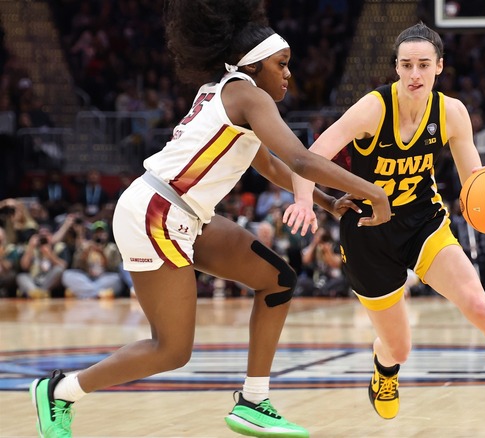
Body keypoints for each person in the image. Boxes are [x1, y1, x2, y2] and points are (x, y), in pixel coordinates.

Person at [29, 2, 391, 438]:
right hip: (157, 212)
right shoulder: (246, 94)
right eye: (282, 64)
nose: (288, 74)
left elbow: (275, 167)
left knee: (278, 279)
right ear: (255, 66)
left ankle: (254, 400)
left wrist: (330, 204)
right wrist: (373, 190)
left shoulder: (230, 92)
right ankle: (60, 390)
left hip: (183, 212)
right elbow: (299, 158)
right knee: (172, 350)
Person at [284, 22, 485, 437]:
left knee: (481, 307)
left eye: (424, 65)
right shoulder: (373, 108)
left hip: (423, 223)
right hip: (367, 234)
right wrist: (304, 199)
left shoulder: (451, 112)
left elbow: (471, 186)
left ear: (439, 67)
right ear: (396, 67)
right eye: (407, 65)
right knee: (399, 347)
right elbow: (311, 157)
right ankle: (384, 367)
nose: (415, 74)